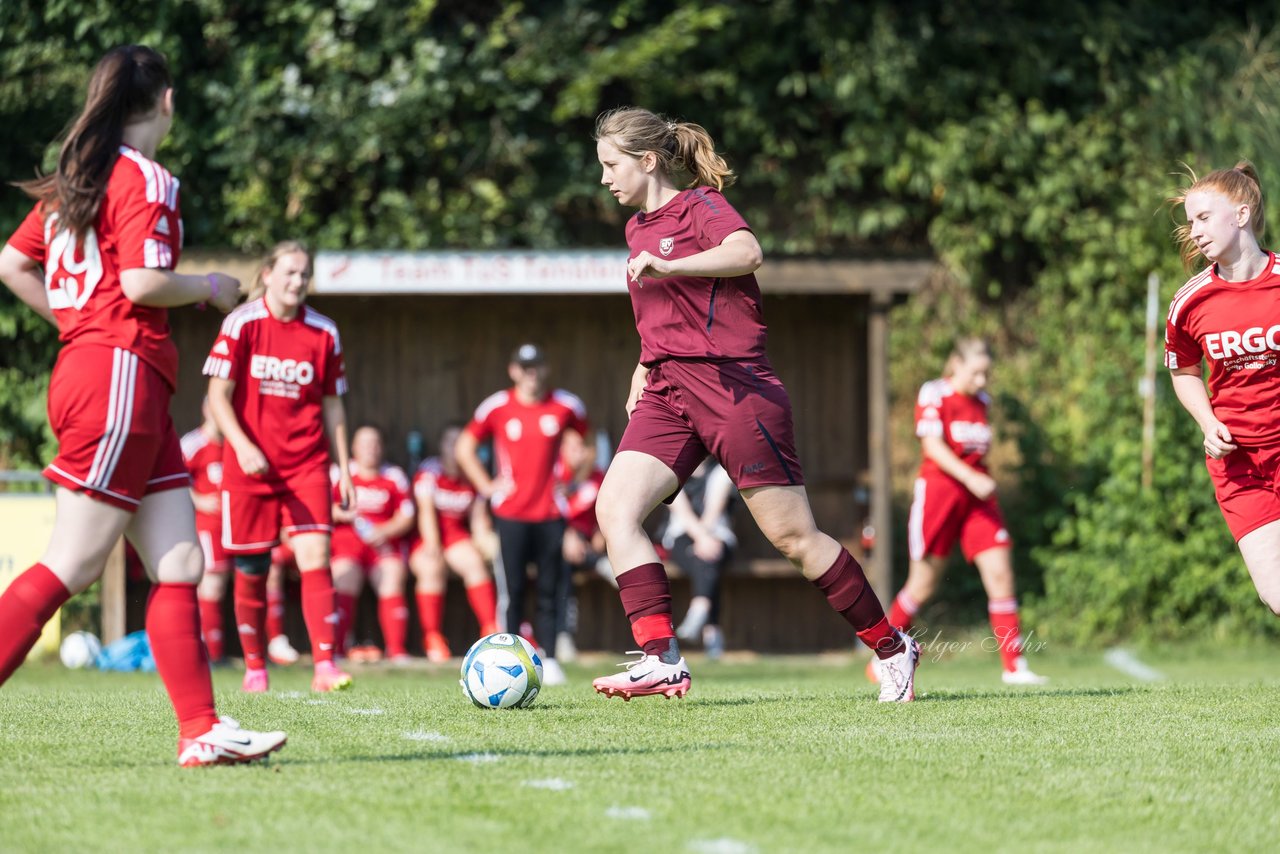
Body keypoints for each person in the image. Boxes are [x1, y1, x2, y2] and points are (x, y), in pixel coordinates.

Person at [0, 45, 285, 765]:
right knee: (73, 562)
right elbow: (141, 283)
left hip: (113, 375)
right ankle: (202, 730)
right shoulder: (146, 177)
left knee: (181, 560)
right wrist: (212, 284)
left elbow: (11, 263)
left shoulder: (78, 180)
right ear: (165, 101)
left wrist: (73, 324)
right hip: (118, 376)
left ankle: (203, 733)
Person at [589, 107, 918, 702]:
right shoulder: (637, 228)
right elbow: (663, 315)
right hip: (668, 392)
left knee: (795, 540)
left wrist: (672, 263)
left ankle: (893, 646)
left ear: (647, 160)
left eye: (612, 165)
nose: (606, 178)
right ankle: (662, 659)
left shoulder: (702, 208)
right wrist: (643, 365)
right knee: (614, 509)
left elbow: (748, 252)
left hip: (734, 389)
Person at [205, 240, 354, 694]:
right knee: (252, 568)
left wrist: (343, 467)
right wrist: (242, 445)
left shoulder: (324, 332)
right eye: (289, 272)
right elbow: (217, 396)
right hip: (249, 469)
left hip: (307, 465)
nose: (298, 281)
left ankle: (325, 666)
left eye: (304, 274)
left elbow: (333, 405)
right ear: (267, 274)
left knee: (317, 557)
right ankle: (255, 667)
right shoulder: (241, 323)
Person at [877, 338, 1047, 685]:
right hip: (941, 494)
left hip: (977, 500)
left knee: (1001, 574)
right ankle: (882, 654)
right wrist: (971, 477)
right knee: (922, 585)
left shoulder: (982, 401)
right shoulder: (934, 393)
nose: (982, 381)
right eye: (976, 373)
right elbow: (932, 446)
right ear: (955, 364)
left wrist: (977, 480)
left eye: (987, 374)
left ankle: (1014, 668)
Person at [1166, 161, 1280, 619]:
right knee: (1274, 592)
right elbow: (1184, 370)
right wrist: (1208, 421)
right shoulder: (1190, 300)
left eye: (1203, 217)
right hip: (1239, 467)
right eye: (1190, 221)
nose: (1194, 231)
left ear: (1241, 214)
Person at [455, 344, 589, 686]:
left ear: (544, 369)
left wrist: (571, 483)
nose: (531, 373)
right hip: (511, 513)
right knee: (512, 589)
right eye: (525, 367)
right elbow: (464, 447)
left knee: (550, 587)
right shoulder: (497, 406)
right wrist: (487, 486)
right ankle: (506, 657)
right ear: (513, 370)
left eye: (537, 366)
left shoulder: (566, 405)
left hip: (550, 513)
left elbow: (589, 446)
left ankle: (551, 657)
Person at [409, 422, 500, 662]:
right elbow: (425, 512)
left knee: (474, 562)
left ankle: (491, 629)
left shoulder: (474, 473)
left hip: (457, 536)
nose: (454, 448)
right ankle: (432, 638)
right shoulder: (430, 470)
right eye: (450, 442)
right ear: (441, 446)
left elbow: (478, 518)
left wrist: (484, 539)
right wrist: (432, 544)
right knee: (431, 567)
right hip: (427, 535)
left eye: (460, 443)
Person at [329, 424, 416, 663]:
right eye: (364, 443)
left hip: (383, 546)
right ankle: (336, 650)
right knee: (344, 576)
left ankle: (397, 650)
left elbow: (407, 515)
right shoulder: (340, 474)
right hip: (347, 545)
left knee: (392, 574)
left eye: (375, 443)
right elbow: (322, 507)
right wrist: (340, 513)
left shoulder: (393, 475)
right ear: (353, 448)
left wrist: (384, 530)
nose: (371, 448)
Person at [666, 457, 737, 660]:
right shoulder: (671, 472)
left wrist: (704, 538)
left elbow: (714, 511)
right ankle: (711, 631)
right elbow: (683, 513)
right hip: (681, 536)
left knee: (708, 554)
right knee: (706, 558)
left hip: (717, 534)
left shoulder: (721, 472)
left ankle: (699, 609)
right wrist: (701, 539)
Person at [180, 400, 231, 663]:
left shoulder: (235, 443)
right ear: (206, 409)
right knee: (211, 584)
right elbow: (173, 476)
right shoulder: (193, 443)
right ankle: (211, 655)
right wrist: (197, 499)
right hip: (208, 527)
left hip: (235, 525)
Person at [556, 428, 610, 661]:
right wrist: (566, 534)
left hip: (587, 546)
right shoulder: (555, 474)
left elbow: (605, 513)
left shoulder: (597, 477)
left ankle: (600, 562)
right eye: (572, 447)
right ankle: (563, 636)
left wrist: (602, 532)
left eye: (583, 448)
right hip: (556, 545)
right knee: (562, 563)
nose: (578, 453)